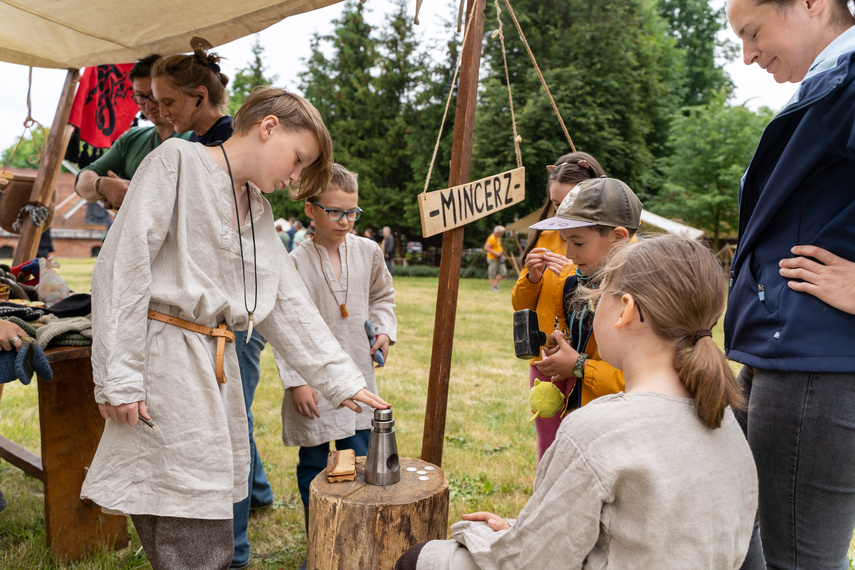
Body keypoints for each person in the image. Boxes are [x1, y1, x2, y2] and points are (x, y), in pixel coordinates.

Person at [79, 87, 389, 570]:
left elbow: (285, 303)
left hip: (216, 369)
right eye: (298, 158)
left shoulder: (258, 209)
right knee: (185, 511)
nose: (296, 178)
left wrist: (342, 380)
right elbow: (122, 269)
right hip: (168, 364)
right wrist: (119, 377)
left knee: (213, 502)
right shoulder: (176, 161)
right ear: (268, 127)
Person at [396, 235, 758, 569]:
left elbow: (530, 563)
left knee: (419, 558)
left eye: (599, 295)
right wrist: (519, 525)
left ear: (625, 310)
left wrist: (483, 534)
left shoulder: (597, 431)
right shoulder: (725, 422)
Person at [724, 0, 855, 567]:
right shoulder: (830, 86)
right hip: (786, 359)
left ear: (812, 3)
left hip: (818, 371)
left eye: (752, 32)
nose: (748, 55)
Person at [274, 164, 396, 558]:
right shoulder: (294, 262)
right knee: (314, 465)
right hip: (312, 382)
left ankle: (356, 544)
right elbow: (285, 323)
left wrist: (383, 330)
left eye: (352, 212)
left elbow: (382, 297)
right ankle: (322, 544)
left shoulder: (368, 251)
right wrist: (297, 380)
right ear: (311, 209)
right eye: (336, 212)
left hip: (357, 374)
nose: (345, 221)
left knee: (360, 460)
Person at [528, 177, 639, 462]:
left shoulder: (640, 301)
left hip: (615, 437)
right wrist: (562, 346)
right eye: (565, 242)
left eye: (577, 242)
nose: (568, 254)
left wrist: (578, 366)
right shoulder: (579, 282)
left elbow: (640, 381)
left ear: (618, 237)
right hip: (582, 427)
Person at [511, 152, 607, 464]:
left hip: (587, 361)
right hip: (547, 358)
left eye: (569, 204)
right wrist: (532, 276)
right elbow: (519, 305)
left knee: (584, 446)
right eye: (555, 204)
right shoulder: (545, 232)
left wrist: (570, 270)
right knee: (548, 442)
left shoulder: (603, 239)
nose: (561, 212)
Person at [75, 54, 191, 210]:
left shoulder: (198, 137)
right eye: (141, 96)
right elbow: (83, 179)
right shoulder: (132, 138)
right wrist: (103, 185)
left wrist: (133, 195)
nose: (148, 105)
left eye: (154, 95)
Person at [151, 40, 233, 146]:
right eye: (159, 103)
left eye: (168, 102)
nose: (163, 114)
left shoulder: (229, 134)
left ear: (201, 96)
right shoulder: (194, 138)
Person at [484, 226, 507, 292]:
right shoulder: (491, 238)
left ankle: (495, 286)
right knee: (492, 273)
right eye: (502, 233)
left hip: (499, 258)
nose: (502, 234)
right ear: (498, 232)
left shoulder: (498, 238)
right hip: (492, 258)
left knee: (503, 271)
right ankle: (491, 288)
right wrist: (495, 253)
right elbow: (486, 248)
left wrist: (502, 255)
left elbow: (499, 247)